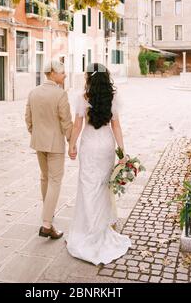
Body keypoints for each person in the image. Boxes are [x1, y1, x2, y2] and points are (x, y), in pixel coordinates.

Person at [66, 62, 131, 264]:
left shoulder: (82, 98)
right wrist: (122, 151)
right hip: (105, 145)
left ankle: (87, 229)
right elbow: (117, 126)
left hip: (89, 144)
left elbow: (77, 125)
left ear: (89, 78)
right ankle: (100, 227)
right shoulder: (112, 97)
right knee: (103, 186)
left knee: (87, 186)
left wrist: (71, 145)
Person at [25, 59, 73, 239]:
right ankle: (47, 223)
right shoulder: (60, 94)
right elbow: (66, 122)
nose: (65, 74)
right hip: (55, 145)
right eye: (62, 72)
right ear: (52, 73)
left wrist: (36, 133)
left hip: (39, 142)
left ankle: (49, 218)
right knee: (54, 181)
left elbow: (28, 119)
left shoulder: (33, 92)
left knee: (45, 178)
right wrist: (71, 142)